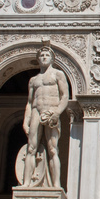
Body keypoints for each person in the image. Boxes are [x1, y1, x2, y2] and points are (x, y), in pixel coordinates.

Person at [22, 45, 69, 188]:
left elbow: (65, 96)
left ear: (52, 58)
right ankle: (26, 183)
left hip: (51, 111)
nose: (44, 57)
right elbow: (30, 103)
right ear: (37, 59)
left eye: (46, 55)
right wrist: (25, 121)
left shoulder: (58, 74)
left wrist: (57, 113)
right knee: (31, 148)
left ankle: (56, 185)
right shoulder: (33, 80)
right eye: (41, 55)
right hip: (36, 111)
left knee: (53, 149)